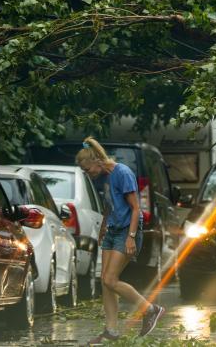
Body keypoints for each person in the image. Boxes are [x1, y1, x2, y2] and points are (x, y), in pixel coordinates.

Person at [77, 137, 164, 342]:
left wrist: (131, 237)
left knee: (110, 279)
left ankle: (150, 309)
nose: (88, 174)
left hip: (127, 231)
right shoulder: (104, 177)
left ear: (97, 160)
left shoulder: (123, 173)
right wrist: (103, 226)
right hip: (112, 230)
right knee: (105, 282)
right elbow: (110, 203)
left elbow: (136, 209)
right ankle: (111, 331)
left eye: (88, 170)